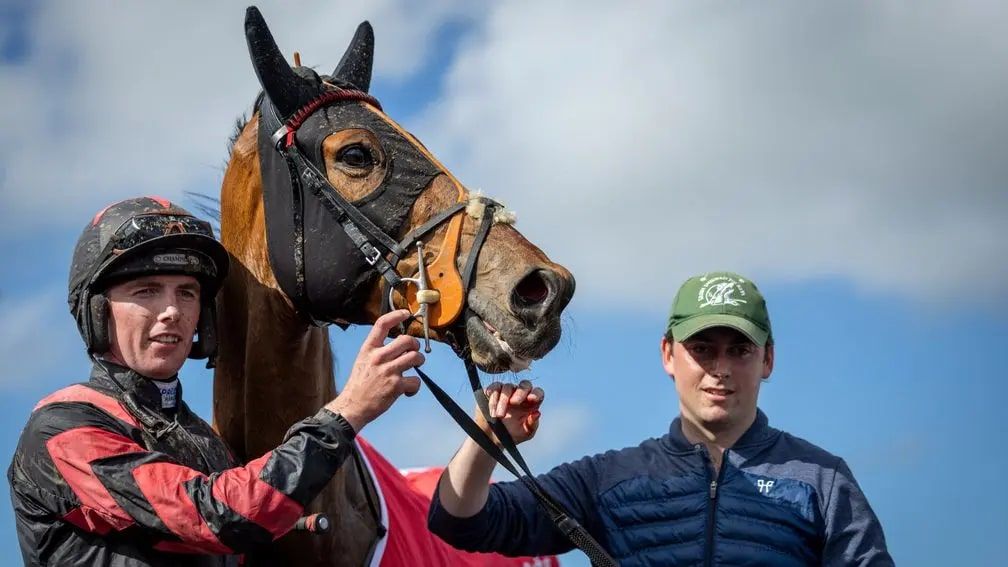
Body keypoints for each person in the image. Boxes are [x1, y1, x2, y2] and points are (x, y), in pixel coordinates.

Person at [8, 196, 423, 566]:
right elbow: (214, 515)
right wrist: (345, 413)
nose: (172, 311)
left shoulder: (205, 442)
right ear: (97, 311)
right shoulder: (65, 429)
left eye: (186, 293)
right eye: (147, 291)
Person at [429, 271, 894, 566]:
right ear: (668, 354)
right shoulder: (608, 479)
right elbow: (460, 521)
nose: (720, 368)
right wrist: (487, 439)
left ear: (767, 360)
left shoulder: (823, 480)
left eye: (740, 350)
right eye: (702, 349)